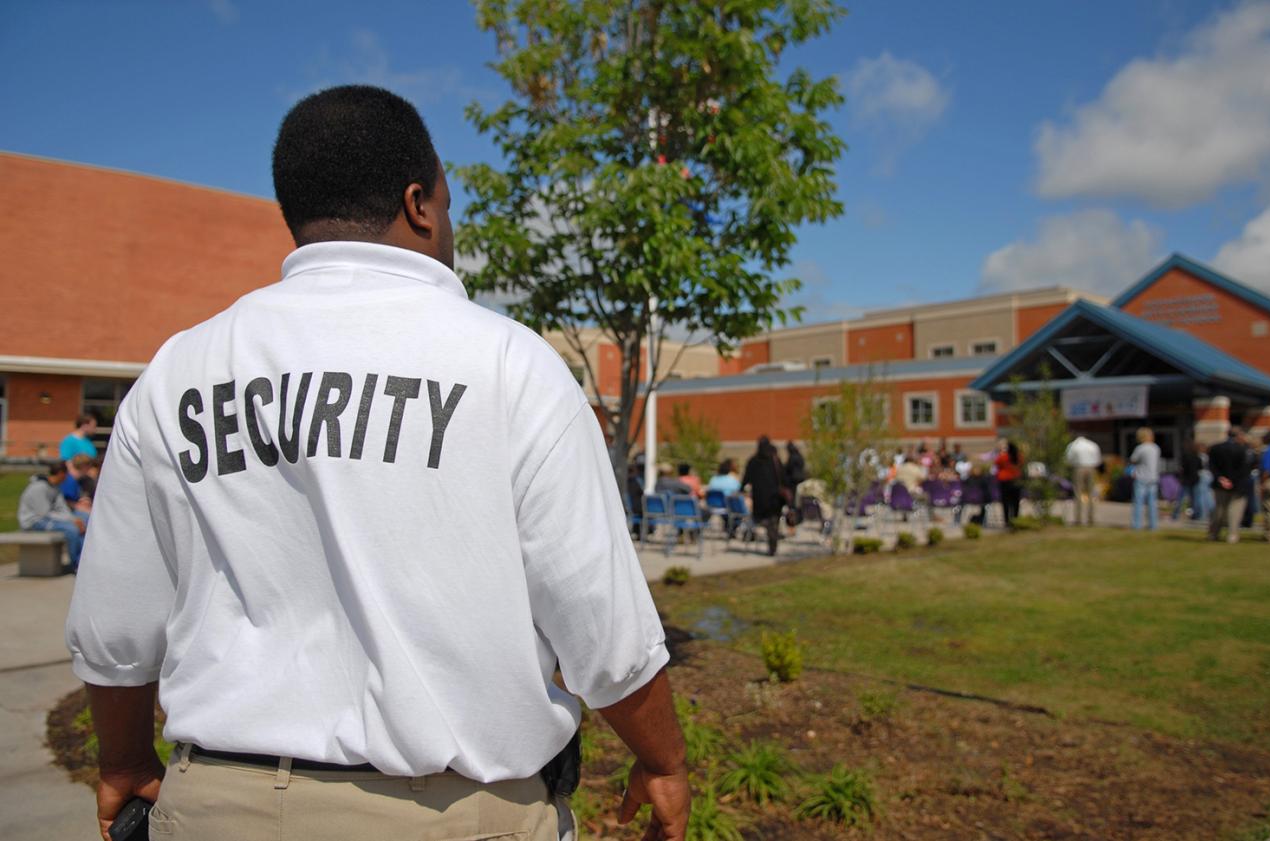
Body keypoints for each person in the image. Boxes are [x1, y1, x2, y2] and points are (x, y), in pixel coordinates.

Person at [66, 86, 689, 841]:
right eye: (449, 204)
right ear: (419, 204)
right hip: (450, 815)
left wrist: (124, 759)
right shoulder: (509, 365)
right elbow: (602, 624)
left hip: (216, 810)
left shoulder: (177, 373)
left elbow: (114, 626)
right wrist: (662, 760)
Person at [18, 462, 88, 571]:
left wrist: (75, 519)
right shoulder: (39, 487)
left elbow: (62, 508)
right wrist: (72, 521)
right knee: (72, 529)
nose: (67, 477)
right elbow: (44, 513)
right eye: (66, 474)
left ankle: (85, 560)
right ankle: (76, 564)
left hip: (48, 518)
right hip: (34, 521)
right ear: (60, 473)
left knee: (84, 520)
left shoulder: (56, 487)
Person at [742, 435, 789, 556]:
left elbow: (746, 478)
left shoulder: (753, 461)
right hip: (773, 500)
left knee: (766, 521)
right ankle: (772, 545)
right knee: (773, 522)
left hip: (760, 499)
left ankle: (770, 539)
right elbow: (783, 477)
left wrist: (741, 488)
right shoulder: (774, 460)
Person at [1208, 427, 1251, 544]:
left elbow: (1211, 466)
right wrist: (1232, 480)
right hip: (1237, 484)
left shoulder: (1215, 448)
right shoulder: (1242, 450)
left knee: (1219, 509)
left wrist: (1221, 478)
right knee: (1235, 511)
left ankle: (1213, 534)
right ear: (1238, 436)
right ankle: (1232, 535)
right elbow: (1244, 469)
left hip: (1220, 483)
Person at [1064, 433, 1101, 526]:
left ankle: (1078, 519)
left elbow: (1068, 459)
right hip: (1091, 467)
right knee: (1091, 493)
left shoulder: (1073, 445)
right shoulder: (1092, 445)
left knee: (1078, 493)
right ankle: (1091, 518)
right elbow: (1098, 459)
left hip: (1078, 468)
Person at [1129, 427, 1161, 531]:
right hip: (1153, 477)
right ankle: (1153, 525)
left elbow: (1133, 460)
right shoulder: (1156, 448)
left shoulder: (1140, 448)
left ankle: (1136, 525)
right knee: (1152, 503)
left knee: (1138, 503)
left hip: (1141, 477)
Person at [994, 439, 1023, 523]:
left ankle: (1007, 520)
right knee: (1016, 501)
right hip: (1016, 480)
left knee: (1006, 502)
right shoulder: (1018, 456)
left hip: (1005, 481)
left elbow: (997, 462)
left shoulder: (1004, 457)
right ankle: (1016, 519)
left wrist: (1001, 452)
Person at [1175, 439, 1203, 521]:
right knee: (1195, 499)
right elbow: (1200, 468)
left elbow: (1182, 468)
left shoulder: (1185, 456)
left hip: (1186, 479)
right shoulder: (1198, 457)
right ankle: (1196, 515)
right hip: (1195, 479)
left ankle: (1175, 514)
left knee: (1180, 498)